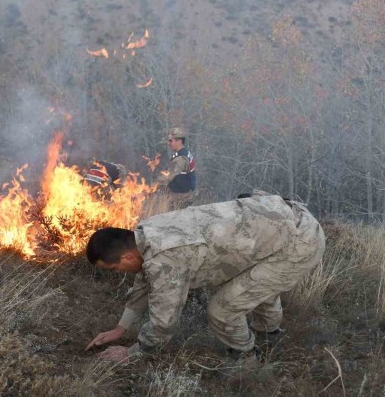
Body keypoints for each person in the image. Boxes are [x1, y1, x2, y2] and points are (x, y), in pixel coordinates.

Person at [84, 192, 325, 364]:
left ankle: (246, 360)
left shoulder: (163, 259)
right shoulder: (146, 232)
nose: (118, 274)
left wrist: (133, 353)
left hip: (299, 243)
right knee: (253, 288)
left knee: (223, 310)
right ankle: (270, 338)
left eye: (113, 269)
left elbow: (164, 322)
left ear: (126, 257)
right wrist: (121, 327)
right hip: (281, 220)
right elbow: (144, 281)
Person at [156, 127, 196, 210]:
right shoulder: (184, 154)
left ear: (179, 141)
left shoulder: (180, 158)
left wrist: (151, 187)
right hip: (184, 195)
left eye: (171, 141)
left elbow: (168, 176)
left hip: (180, 198)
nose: (169, 143)